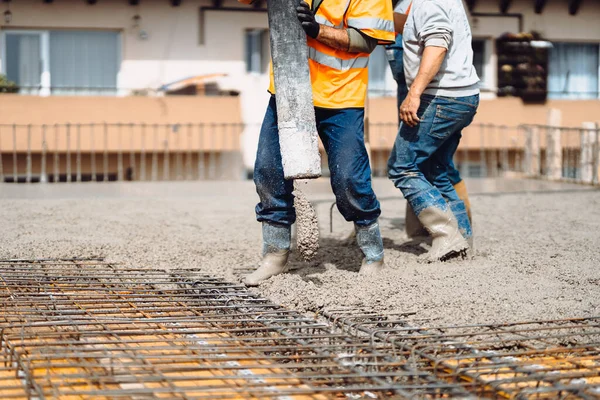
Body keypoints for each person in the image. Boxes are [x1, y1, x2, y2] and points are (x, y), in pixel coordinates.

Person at [240, 0, 395, 286]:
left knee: (349, 177)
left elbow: (366, 41)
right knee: (268, 170)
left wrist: (316, 30)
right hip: (289, 86)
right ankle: (274, 255)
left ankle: (373, 252)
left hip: (341, 96)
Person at [387, 0, 479, 261]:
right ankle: (464, 240)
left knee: (402, 166)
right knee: (436, 169)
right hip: (464, 97)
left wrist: (414, 94)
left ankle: (447, 235)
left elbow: (437, 45)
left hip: (441, 99)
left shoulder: (428, 2)